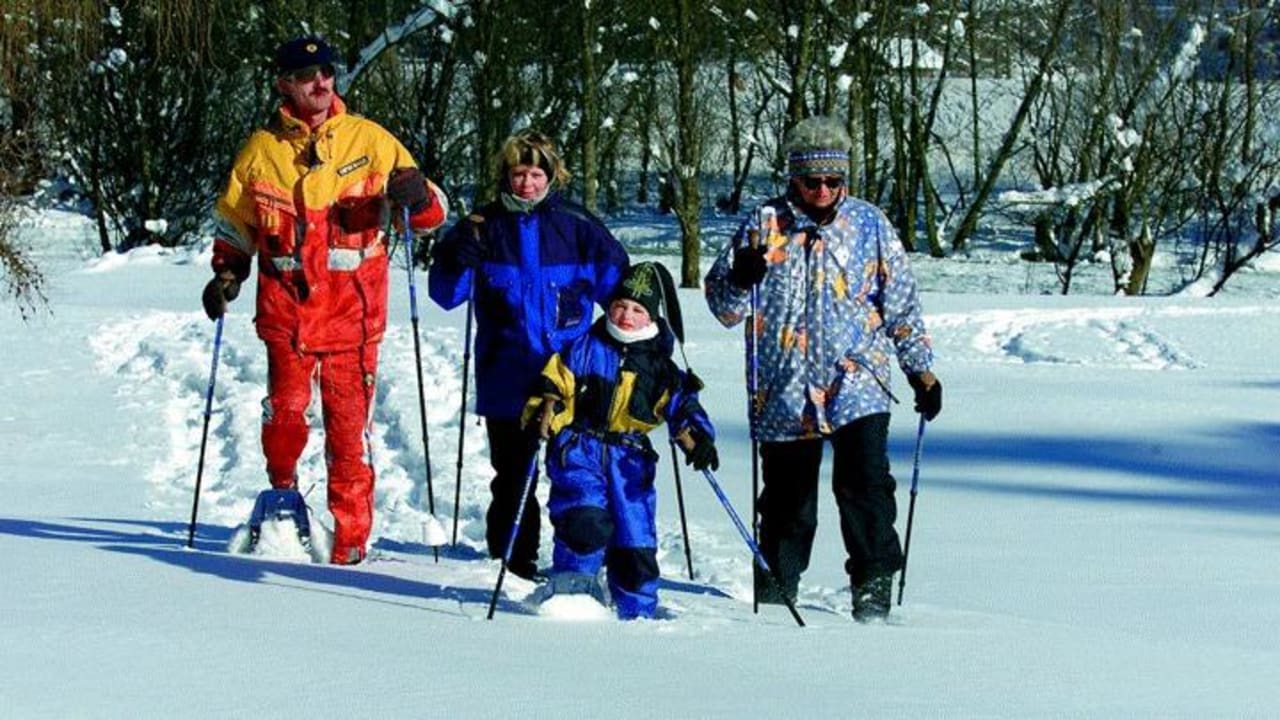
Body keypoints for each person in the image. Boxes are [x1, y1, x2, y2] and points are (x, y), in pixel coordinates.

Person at [202, 35, 448, 565]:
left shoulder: (372, 141)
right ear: (283, 83)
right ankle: (283, 506)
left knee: (348, 439)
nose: (322, 82)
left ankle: (351, 547)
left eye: (327, 72)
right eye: (308, 74)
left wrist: (419, 197)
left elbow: (428, 216)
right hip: (286, 314)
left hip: (353, 319)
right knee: (285, 420)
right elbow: (235, 225)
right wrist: (227, 273)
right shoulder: (260, 151)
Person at [704, 115, 942, 622]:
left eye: (832, 181)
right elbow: (724, 309)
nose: (821, 190)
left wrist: (920, 370)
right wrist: (739, 279)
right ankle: (775, 589)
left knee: (866, 485)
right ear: (794, 178)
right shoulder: (764, 223)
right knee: (789, 501)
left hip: (856, 379)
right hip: (784, 386)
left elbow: (900, 301)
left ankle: (874, 585)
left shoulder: (869, 224)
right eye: (811, 181)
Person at [428, 129, 629, 581]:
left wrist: (640, 341)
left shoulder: (579, 228)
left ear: (552, 175)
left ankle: (580, 565)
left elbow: (622, 296)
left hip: (571, 379)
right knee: (514, 476)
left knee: (577, 475)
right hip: (507, 375)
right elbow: (445, 295)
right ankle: (512, 565)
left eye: (536, 174)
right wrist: (457, 257)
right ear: (506, 175)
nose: (527, 184)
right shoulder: (482, 227)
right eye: (519, 173)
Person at [524, 261, 717, 619]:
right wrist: (545, 408)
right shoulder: (584, 347)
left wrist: (699, 437)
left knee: (635, 540)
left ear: (652, 317)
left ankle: (637, 612)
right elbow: (555, 384)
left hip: (630, 461)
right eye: (619, 306)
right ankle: (572, 596)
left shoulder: (661, 368)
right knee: (585, 519)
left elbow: (683, 406)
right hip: (579, 449)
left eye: (637, 310)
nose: (626, 315)